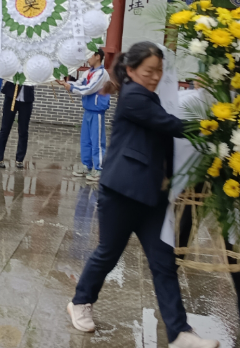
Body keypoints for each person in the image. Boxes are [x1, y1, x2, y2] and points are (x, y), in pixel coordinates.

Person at [67, 42, 220, 348]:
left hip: (152, 196)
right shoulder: (133, 96)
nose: (155, 76)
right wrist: (213, 126)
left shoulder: (151, 97)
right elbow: (170, 125)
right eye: (149, 71)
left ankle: (180, 334)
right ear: (132, 70)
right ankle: (80, 301)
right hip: (122, 192)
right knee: (108, 253)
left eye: (159, 71)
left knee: (164, 263)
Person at [175, 87, 240, 325]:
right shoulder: (191, 99)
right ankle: (165, 286)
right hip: (198, 173)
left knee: (235, 232)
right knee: (185, 227)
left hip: (229, 175)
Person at [60, 49, 110, 182]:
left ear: (98, 57)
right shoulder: (88, 72)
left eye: (90, 55)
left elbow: (88, 89)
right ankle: (87, 166)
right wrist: (67, 83)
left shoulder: (101, 73)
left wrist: (71, 88)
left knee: (97, 141)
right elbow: (79, 83)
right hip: (88, 110)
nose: (88, 59)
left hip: (97, 111)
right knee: (85, 140)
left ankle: (98, 169)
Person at [0, 82, 34, 169]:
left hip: (26, 99)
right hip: (11, 97)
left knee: (23, 130)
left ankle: (20, 159)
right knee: (5, 129)